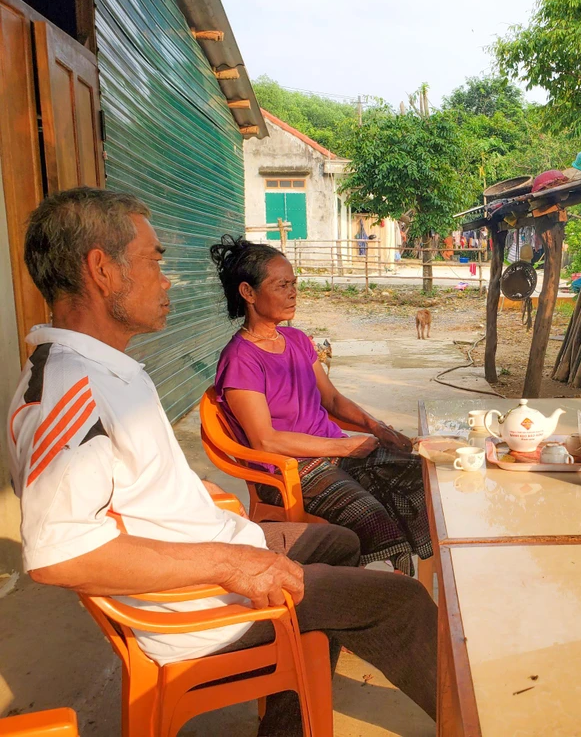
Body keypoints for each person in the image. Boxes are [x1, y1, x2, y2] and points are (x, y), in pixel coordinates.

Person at [7, 187, 436, 735]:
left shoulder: (104, 369)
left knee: (342, 542)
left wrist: (213, 516)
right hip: (197, 609)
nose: (166, 279)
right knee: (400, 601)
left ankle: (293, 706)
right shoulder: (71, 389)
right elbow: (58, 556)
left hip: (215, 553)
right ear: (102, 270)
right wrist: (229, 563)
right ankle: (473, 716)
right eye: (153, 260)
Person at [209, 235, 432, 575]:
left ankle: (414, 577)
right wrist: (344, 446)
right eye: (281, 285)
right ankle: (383, 595)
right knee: (374, 517)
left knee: (423, 474)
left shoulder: (297, 340)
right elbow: (265, 440)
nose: (293, 293)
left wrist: (377, 428)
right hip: (293, 471)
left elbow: (331, 400)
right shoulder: (241, 360)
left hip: (332, 453)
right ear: (248, 293)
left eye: (294, 284)